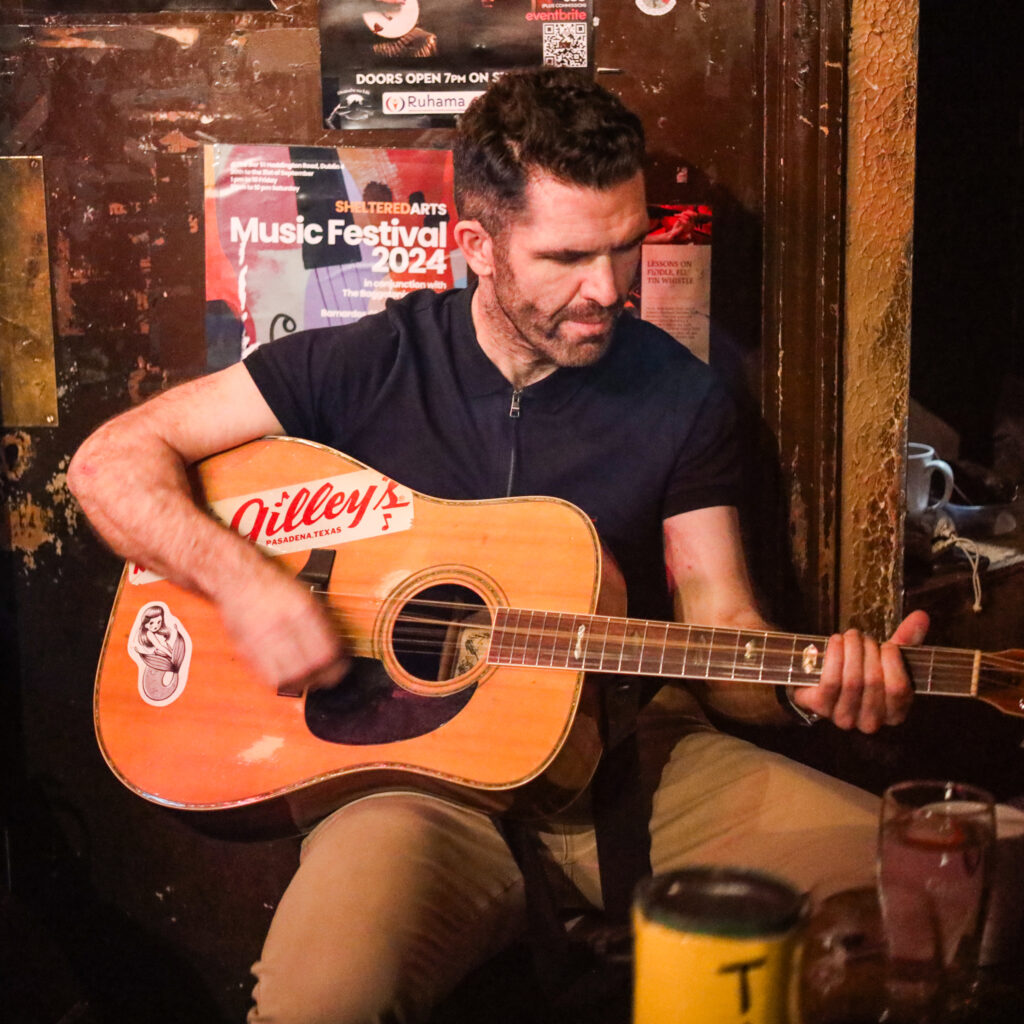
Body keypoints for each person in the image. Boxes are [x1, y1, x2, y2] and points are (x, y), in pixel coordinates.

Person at [69, 67, 929, 1024]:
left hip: (631, 760)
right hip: (407, 784)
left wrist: (808, 688)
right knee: (321, 1003)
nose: (608, 290)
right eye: (567, 256)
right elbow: (110, 464)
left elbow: (723, 624)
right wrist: (247, 586)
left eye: (627, 248)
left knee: (941, 893)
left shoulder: (681, 397)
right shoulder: (366, 364)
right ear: (476, 245)